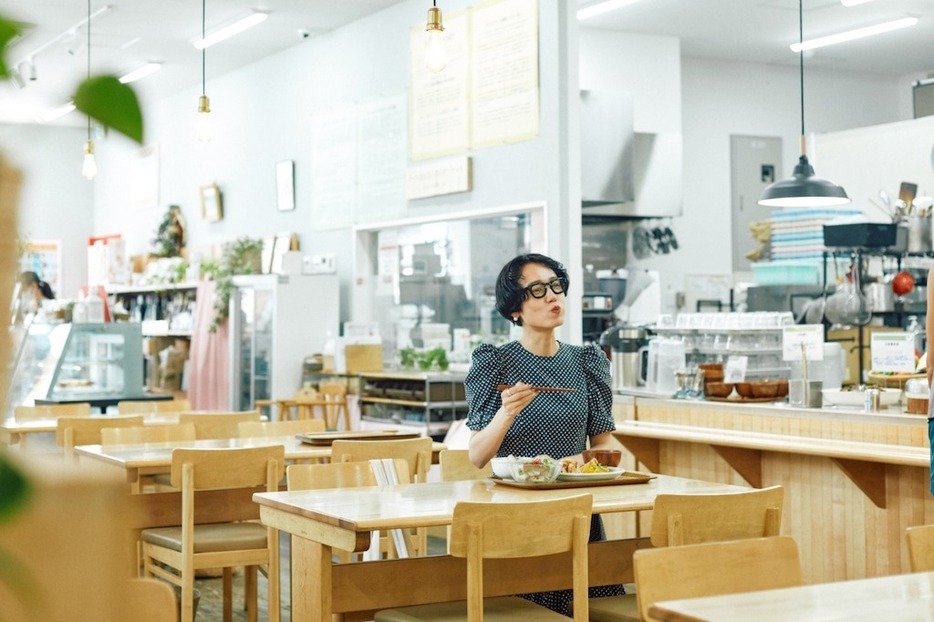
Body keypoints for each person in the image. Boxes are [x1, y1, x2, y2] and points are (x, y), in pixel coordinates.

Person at [464, 252, 625, 614]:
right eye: (538, 290)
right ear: (514, 309)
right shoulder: (495, 363)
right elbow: (476, 455)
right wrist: (506, 413)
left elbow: (602, 443)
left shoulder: (586, 361)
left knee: (587, 609)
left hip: (577, 511)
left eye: (556, 287)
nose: (553, 296)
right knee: (522, 613)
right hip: (516, 516)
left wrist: (576, 462)